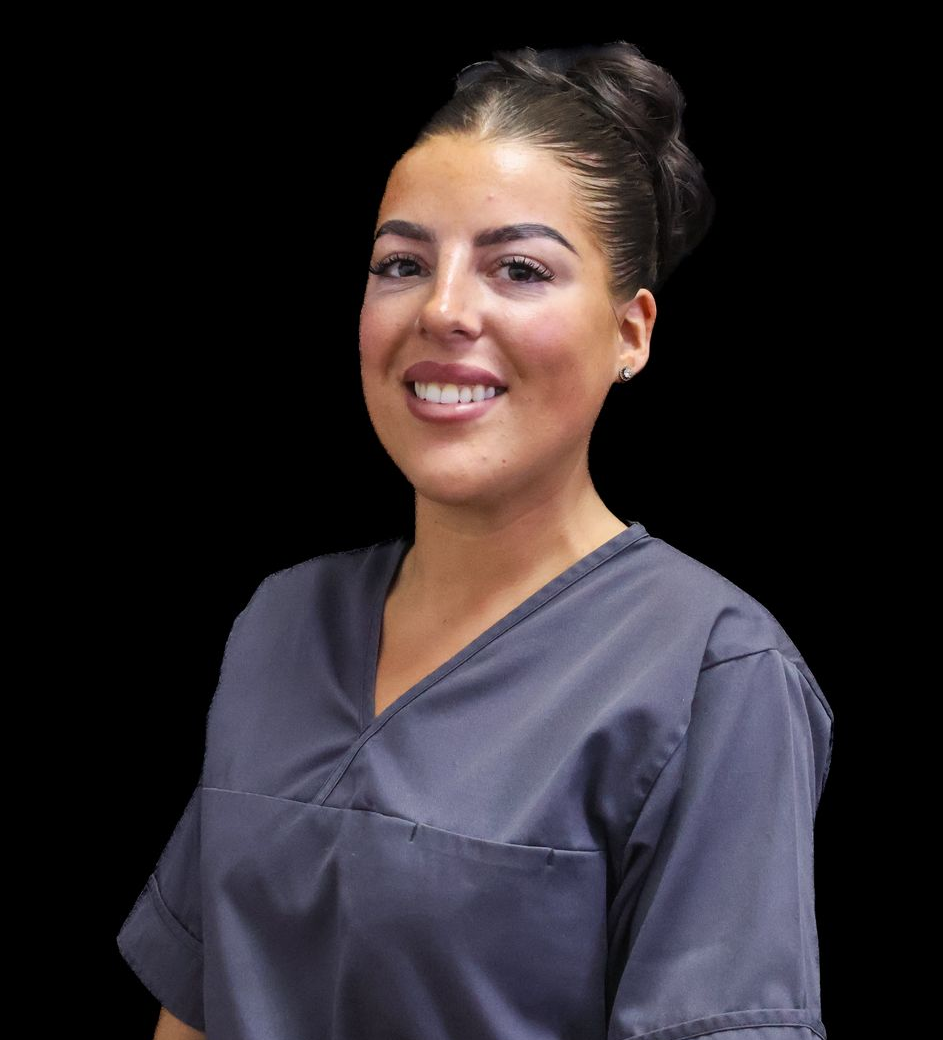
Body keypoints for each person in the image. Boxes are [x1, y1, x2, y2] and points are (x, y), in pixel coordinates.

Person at [117, 41, 835, 1040]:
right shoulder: (280, 623)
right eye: (402, 264)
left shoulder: (713, 671)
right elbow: (196, 1008)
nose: (444, 308)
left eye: (519, 268)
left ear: (630, 333)